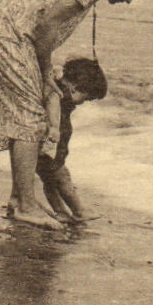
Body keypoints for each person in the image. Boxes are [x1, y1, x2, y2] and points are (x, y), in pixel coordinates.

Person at [0, 0, 153, 228]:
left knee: (24, 116)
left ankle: (20, 199)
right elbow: (48, 24)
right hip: (10, 36)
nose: (128, 1)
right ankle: (25, 205)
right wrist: (44, 72)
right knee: (31, 119)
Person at [35, 57, 108, 224]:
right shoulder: (60, 95)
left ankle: (60, 211)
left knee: (50, 182)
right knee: (62, 178)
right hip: (51, 149)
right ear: (74, 87)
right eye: (86, 98)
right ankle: (79, 210)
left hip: (44, 149)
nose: (83, 103)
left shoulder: (57, 88)